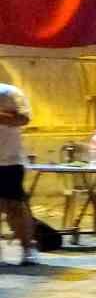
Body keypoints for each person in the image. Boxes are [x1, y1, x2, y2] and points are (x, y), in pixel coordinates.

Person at [0, 82, 38, 265]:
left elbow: (23, 119)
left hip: (9, 161)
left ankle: (28, 248)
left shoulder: (11, 93)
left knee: (15, 208)